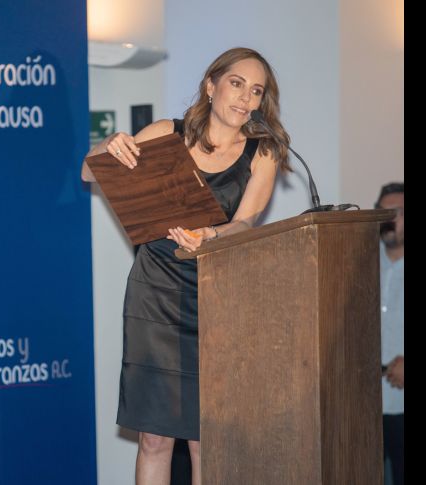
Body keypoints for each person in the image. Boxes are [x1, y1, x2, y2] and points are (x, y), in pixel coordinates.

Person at [82, 47, 291, 485]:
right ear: (211, 85)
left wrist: (210, 235)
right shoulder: (165, 132)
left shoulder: (263, 151)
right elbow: (88, 173)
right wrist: (108, 145)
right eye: (237, 84)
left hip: (217, 296)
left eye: (256, 91)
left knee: (204, 439)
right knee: (155, 439)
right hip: (155, 291)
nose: (245, 99)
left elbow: (246, 223)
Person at [375, 182, 404, 485]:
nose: (389, 218)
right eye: (383, 212)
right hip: (366, 405)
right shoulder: (360, 263)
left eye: (397, 212)